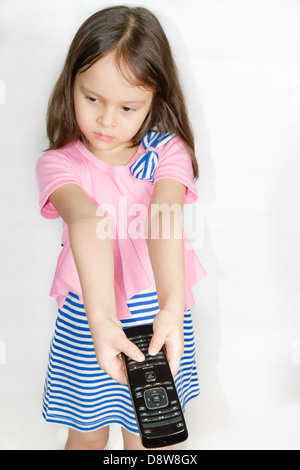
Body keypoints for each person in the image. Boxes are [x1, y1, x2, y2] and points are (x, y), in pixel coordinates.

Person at [35, 5, 206, 450]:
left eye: (128, 107)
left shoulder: (168, 151)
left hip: (159, 313)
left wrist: (170, 307)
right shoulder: (59, 164)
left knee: (151, 435)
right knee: (87, 432)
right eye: (92, 99)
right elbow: (87, 221)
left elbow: (163, 216)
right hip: (88, 315)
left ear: (155, 100)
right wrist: (101, 322)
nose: (107, 120)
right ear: (71, 83)